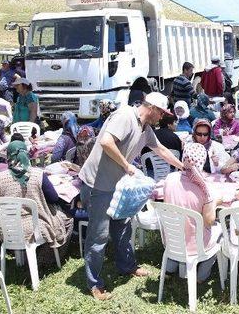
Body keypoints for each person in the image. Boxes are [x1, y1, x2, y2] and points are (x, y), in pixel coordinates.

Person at [78, 92, 183, 300]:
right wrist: (126, 165)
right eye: (161, 112)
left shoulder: (146, 127)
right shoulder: (125, 116)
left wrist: (182, 167)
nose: (162, 117)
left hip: (117, 184)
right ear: (152, 108)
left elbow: (160, 149)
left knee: (123, 227)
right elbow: (106, 142)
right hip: (98, 184)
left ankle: (127, 267)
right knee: (98, 235)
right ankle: (94, 284)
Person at [0, 140, 74, 266]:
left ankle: (24, 257)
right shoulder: (37, 174)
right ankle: (47, 258)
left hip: (8, 227)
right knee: (68, 219)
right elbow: (53, 198)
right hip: (36, 226)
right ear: (26, 153)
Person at [162, 143, 222, 282]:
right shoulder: (205, 189)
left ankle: (170, 267)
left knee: (183, 227)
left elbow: (168, 206)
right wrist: (215, 202)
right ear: (203, 161)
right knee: (219, 230)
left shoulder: (170, 179)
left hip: (172, 239)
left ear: (184, 158)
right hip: (196, 245)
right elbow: (209, 221)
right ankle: (201, 276)